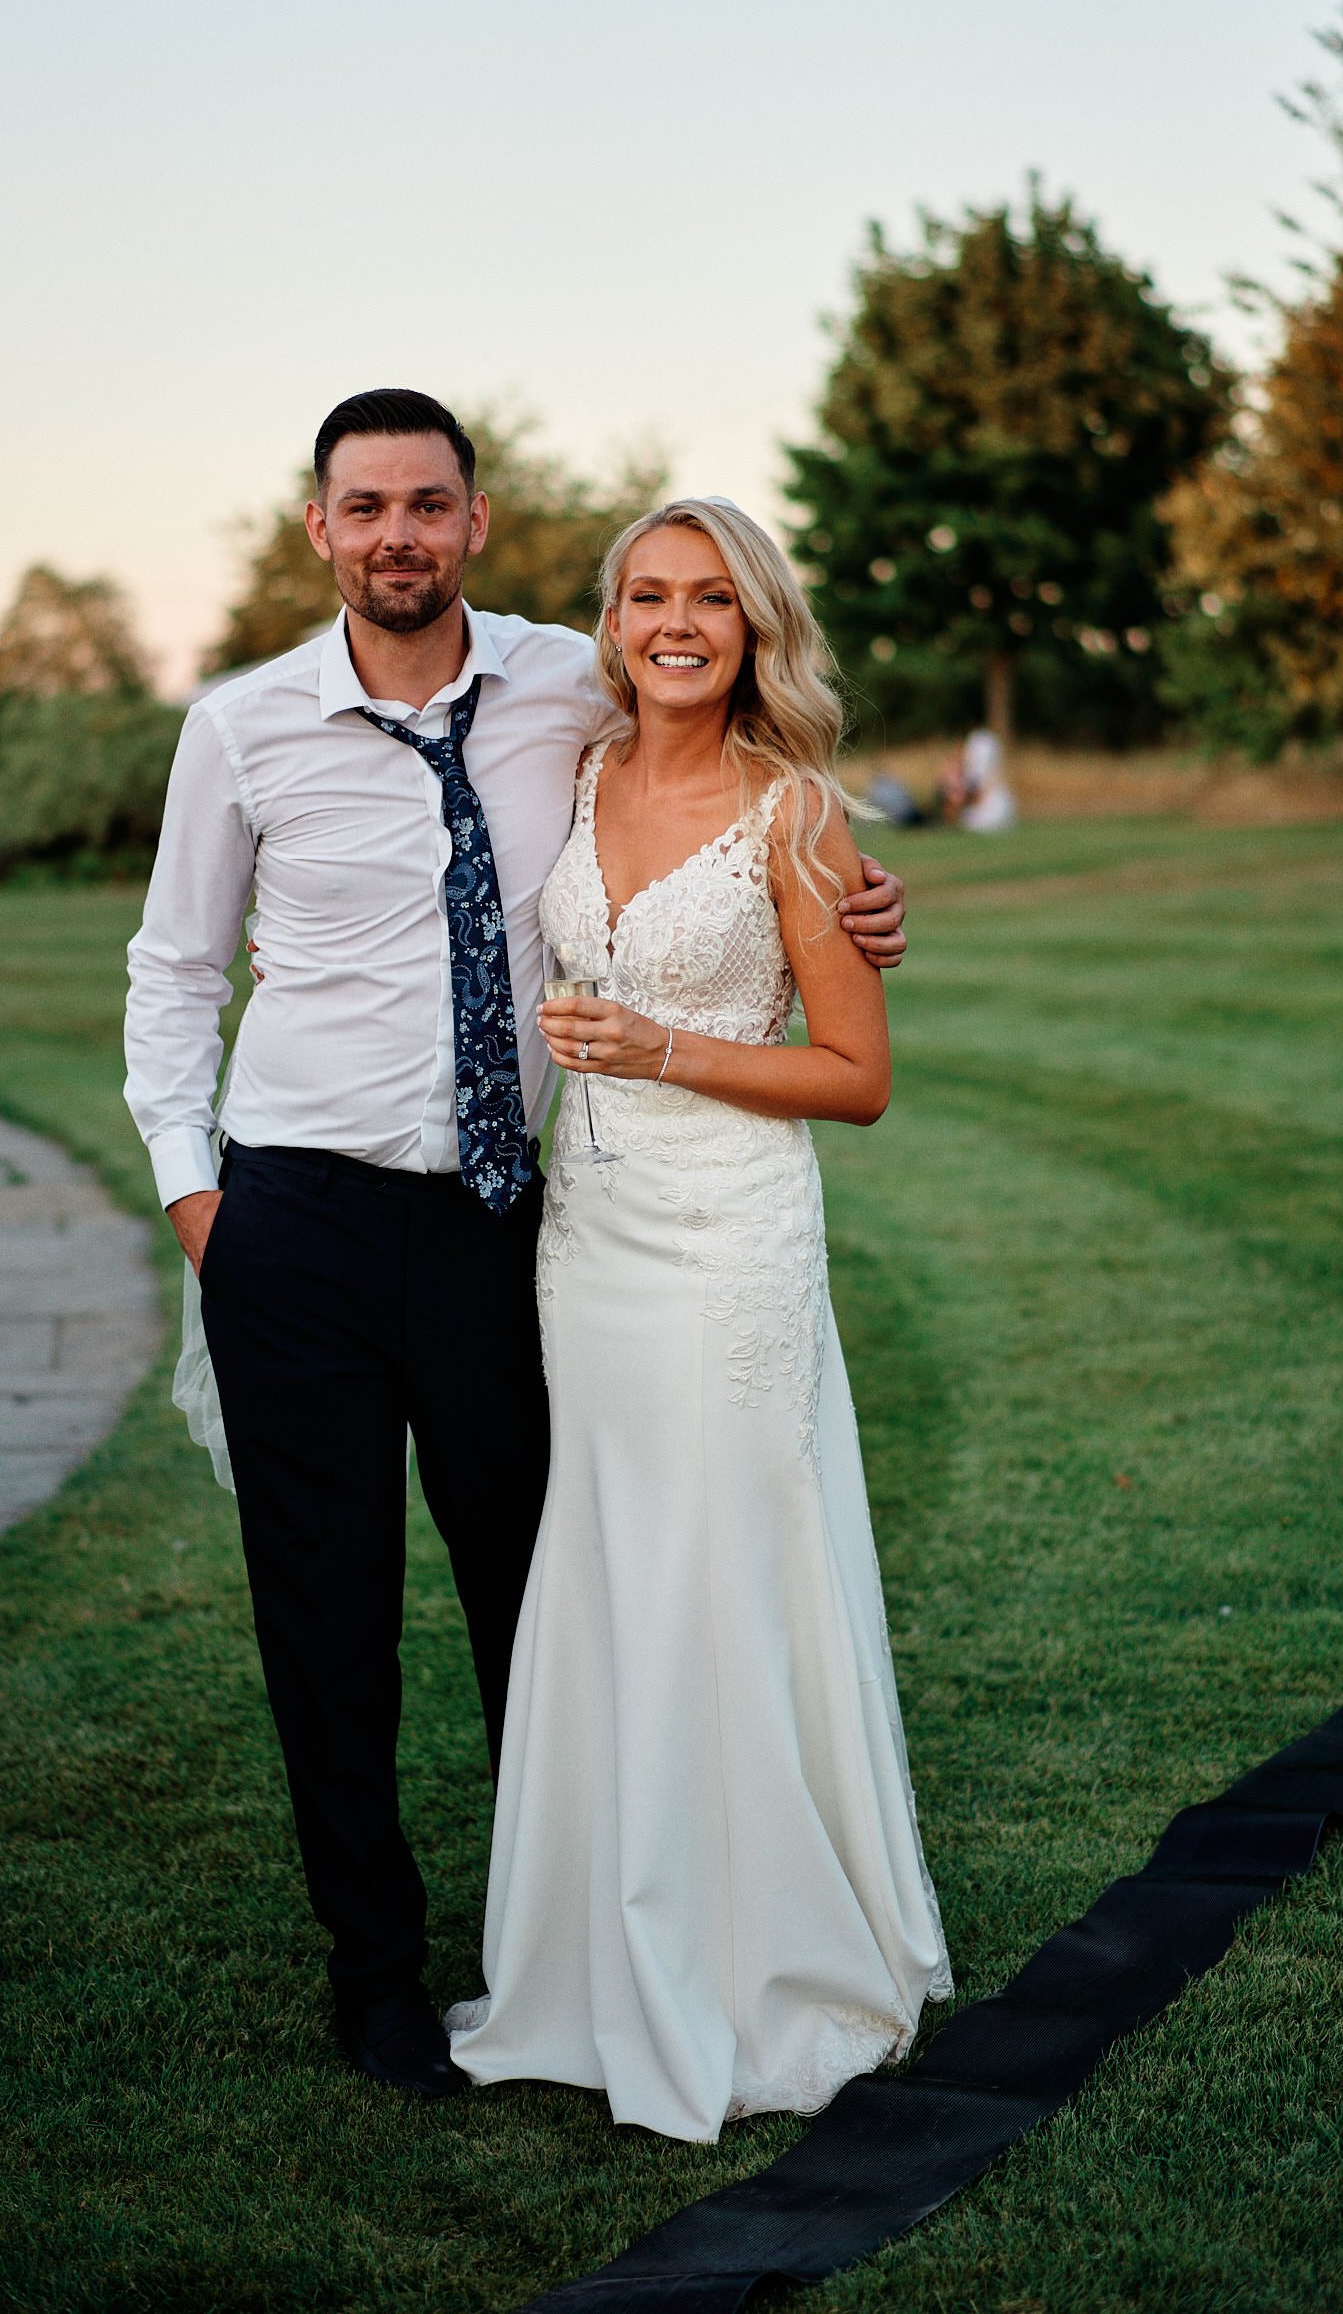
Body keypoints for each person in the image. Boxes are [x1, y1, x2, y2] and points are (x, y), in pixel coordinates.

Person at [123, 392, 911, 2102]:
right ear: (316, 529)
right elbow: (174, 973)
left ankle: (560, 1940)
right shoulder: (240, 727)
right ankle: (377, 1975)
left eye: (427, 503)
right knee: (324, 1617)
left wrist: (866, 902)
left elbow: (748, 804)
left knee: (538, 1598)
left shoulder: (572, 680)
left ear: (477, 522)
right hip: (297, 1218)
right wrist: (202, 1202)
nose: (395, 534)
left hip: (505, 1224)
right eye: (363, 508)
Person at [444, 498, 950, 2141]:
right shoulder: (578, 771)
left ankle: (758, 1971)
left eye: (709, 600)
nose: (675, 623)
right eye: (647, 596)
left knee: (726, 1577)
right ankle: (593, 1963)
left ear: (753, 627)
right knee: (607, 1570)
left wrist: (664, 1049)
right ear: (610, 620)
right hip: (588, 1249)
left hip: (730, 1242)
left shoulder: (797, 817)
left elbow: (856, 1077)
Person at [959, 724, 1016, 831]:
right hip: (1003, 809)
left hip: (992, 812)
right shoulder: (990, 767)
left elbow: (979, 791)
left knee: (967, 818)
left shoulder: (976, 769)